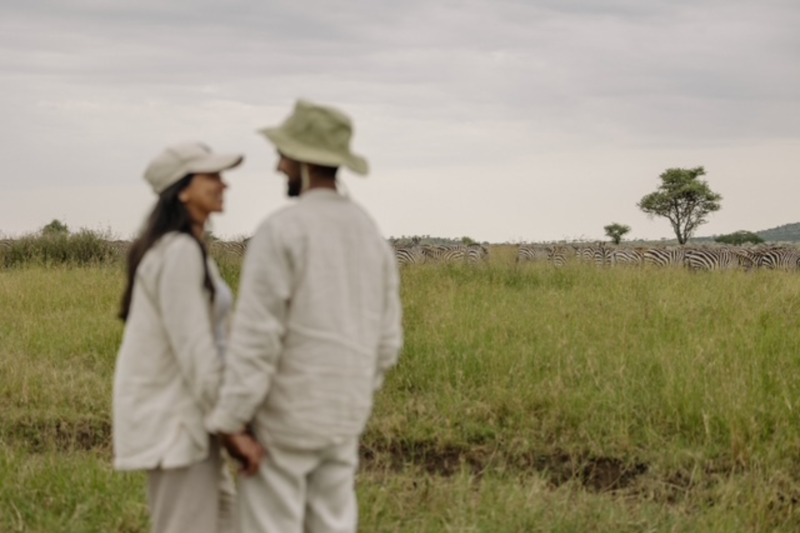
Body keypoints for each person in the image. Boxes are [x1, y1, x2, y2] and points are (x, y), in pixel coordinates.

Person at [205, 100, 404, 533]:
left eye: (285, 156)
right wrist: (352, 390)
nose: (279, 167)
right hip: (344, 416)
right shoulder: (371, 234)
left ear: (304, 162)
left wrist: (230, 420)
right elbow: (388, 343)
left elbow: (257, 339)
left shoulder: (281, 230)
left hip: (283, 422)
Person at [112, 141, 263, 533]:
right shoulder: (178, 252)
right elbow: (197, 352)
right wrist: (233, 431)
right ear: (182, 190)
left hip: (193, 424)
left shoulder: (187, 249)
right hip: (177, 427)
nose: (223, 185)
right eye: (211, 176)